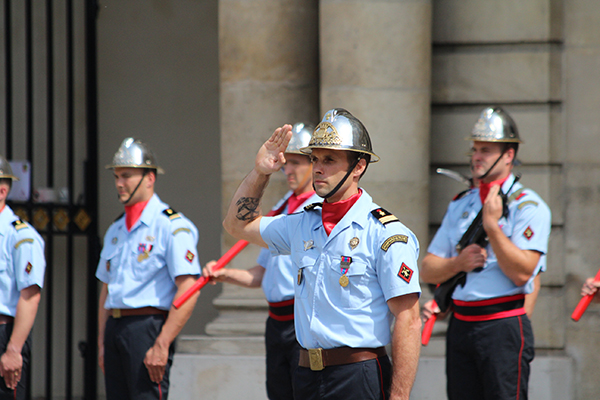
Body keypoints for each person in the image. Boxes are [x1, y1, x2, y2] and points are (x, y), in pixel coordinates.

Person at [222, 108, 422, 400]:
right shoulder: (302, 223)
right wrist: (260, 172)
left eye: (329, 160)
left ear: (358, 167)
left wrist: (400, 397)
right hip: (305, 375)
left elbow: (409, 319)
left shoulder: (385, 234)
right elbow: (237, 225)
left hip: (358, 375)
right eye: (315, 158)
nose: (317, 168)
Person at [420, 106, 552, 400]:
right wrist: (457, 263)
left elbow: (523, 272)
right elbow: (428, 268)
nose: (476, 157)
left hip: (502, 325)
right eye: (475, 149)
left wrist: (492, 227)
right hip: (462, 325)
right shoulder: (462, 203)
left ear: (508, 155)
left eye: (486, 150)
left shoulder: (528, 207)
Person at [204, 122, 321, 400]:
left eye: (296, 163)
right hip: (276, 321)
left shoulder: (318, 208)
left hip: (301, 319)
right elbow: (262, 275)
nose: (288, 170)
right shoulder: (280, 208)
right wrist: (225, 274)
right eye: (285, 164)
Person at [96, 138, 201, 400]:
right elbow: (106, 289)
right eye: (117, 176)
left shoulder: (172, 226)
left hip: (147, 327)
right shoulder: (115, 229)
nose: (120, 183)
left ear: (150, 178)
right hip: (115, 327)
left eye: (127, 176)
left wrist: (162, 343)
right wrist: (101, 340)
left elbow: (189, 288)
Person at [0, 156, 46, 400]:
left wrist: (13, 349)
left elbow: (30, 296)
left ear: (2, 190)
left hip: (4, 333)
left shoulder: (20, 236)